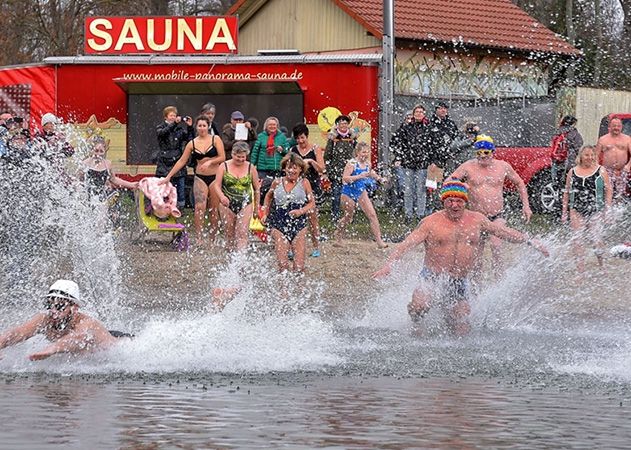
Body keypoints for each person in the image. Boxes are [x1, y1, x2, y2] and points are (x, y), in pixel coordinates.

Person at [373, 181, 548, 335]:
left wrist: (529, 241)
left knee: (461, 328)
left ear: (465, 202)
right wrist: (389, 265)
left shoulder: (477, 220)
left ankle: (447, 328)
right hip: (432, 276)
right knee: (419, 307)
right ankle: (416, 324)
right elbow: (406, 245)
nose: (455, 205)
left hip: (459, 280)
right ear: (444, 202)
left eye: (459, 201)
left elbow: (503, 232)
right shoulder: (430, 222)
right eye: (450, 201)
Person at [448, 135, 532, 275]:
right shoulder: (468, 166)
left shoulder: (503, 166)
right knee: (476, 255)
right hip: (477, 217)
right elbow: (448, 182)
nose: (482, 156)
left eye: (486, 152)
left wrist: (526, 206)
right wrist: (461, 186)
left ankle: (499, 280)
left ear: (492, 152)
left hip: (497, 215)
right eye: (479, 153)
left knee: (496, 245)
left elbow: (519, 183)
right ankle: (477, 288)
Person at [0, 280, 127, 361]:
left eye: (60, 306)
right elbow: (18, 332)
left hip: (120, 342)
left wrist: (51, 349)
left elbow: (76, 338)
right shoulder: (45, 319)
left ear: (74, 308)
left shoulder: (87, 323)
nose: (53, 311)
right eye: (49, 305)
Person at [160, 116, 225, 241]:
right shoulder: (192, 143)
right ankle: (200, 237)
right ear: (196, 127)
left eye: (204, 126)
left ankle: (213, 237)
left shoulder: (215, 139)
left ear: (208, 126)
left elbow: (222, 157)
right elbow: (181, 161)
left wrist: (210, 162)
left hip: (215, 177)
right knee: (199, 207)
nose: (202, 128)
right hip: (200, 177)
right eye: (199, 126)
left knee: (213, 209)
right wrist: (168, 177)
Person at [261, 153, 315, 272]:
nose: (291, 170)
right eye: (288, 167)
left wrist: (301, 211)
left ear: (301, 169)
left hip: (299, 224)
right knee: (283, 265)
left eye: (295, 167)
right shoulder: (277, 182)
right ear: (284, 168)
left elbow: (312, 204)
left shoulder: (304, 183)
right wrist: (265, 212)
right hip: (279, 223)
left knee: (299, 266)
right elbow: (268, 197)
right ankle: (283, 290)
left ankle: (299, 289)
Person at [561, 146, 613, 272]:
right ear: (580, 157)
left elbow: (609, 190)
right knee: (577, 241)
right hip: (576, 210)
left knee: (596, 240)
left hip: (595, 210)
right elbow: (567, 192)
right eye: (586, 155)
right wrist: (564, 212)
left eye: (592, 155)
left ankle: (602, 265)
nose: (589, 158)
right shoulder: (572, 172)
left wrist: (608, 209)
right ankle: (581, 271)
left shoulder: (601, 171)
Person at [334, 142, 389, 249]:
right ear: (358, 152)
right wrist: (359, 176)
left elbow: (370, 172)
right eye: (363, 152)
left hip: (360, 191)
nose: (366, 154)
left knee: (372, 214)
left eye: (368, 152)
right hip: (348, 192)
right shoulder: (352, 163)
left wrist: (379, 178)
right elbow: (344, 178)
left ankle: (379, 241)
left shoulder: (368, 163)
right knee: (348, 217)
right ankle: (338, 234)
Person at [214, 141, 261, 251]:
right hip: (227, 203)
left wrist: (256, 208)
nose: (240, 159)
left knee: (242, 234)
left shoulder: (251, 167)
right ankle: (231, 261)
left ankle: (241, 260)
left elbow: (257, 189)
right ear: (232, 154)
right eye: (238, 157)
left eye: (243, 157)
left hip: (245, 203)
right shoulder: (224, 166)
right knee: (229, 235)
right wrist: (221, 197)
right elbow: (217, 185)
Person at [290, 123, 324, 257]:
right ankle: (292, 247)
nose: (300, 141)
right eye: (298, 138)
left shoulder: (315, 149)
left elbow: (322, 169)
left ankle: (316, 247)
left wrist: (311, 162)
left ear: (307, 136)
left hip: (313, 185)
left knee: (312, 217)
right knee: (293, 216)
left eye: (302, 138)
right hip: (296, 186)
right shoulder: (293, 149)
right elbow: (287, 166)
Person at [392, 105, 431, 222]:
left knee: (421, 190)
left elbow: (434, 146)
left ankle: (420, 214)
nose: (418, 114)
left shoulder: (429, 128)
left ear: (424, 114)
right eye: (416, 112)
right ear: (413, 114)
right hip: (408, 164)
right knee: (408, 190)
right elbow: (396, 143)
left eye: (421, 112)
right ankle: (408, 214)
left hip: (423, 164)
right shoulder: (406, 128)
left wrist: (433, 161)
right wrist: (400, 157)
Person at [79, 137, 138, 202]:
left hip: (101, 197)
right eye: (96, 151)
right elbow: (79, 181)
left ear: (104, 152)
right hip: (88, 196)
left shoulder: (108, 164)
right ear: (92, 150)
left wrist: (131, 184)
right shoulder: (85, 163)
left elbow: (113, 179)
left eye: (101, 151)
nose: (98, 154)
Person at [155, 106, 191, 210]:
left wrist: (189, 127)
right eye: (171, 115)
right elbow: (162, 133)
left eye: (175, 115)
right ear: (165, 117)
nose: (173, 117)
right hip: (164, 163)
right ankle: (163, 209)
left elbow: (190, 140)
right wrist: (174, 123)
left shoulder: (179, 129)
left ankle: (180, 209)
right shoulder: (160, 127)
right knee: (164, 188)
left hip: (178, 161)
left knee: (180, 187)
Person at [324, 114, 357, 220]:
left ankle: (349, 216)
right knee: (336, 195)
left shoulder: (352, 138)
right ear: (337, 125)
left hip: (350, 172)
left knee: (350, 195)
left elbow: (356, 154)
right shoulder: (333, 138)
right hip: (336, 172)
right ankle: (335, 216)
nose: (343, 125)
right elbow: (327, 156)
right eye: (341, 123)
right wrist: (329, 171)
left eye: (345, 123)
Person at [251, 116, 289, 200]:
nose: (272, 126)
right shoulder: (261, 136)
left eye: (274, 125)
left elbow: (287, 150)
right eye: (270, 125)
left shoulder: (282, 137)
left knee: (276, 191)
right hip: (263, 169)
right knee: (262, 190)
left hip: (276, 169)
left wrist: (282, 150)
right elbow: (255, 152)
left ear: (277, 126)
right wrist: (252, 165)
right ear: (266, 126)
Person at [595, 117, 631, 202]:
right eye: (614, 125)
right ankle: (607, 211)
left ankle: (619, 212)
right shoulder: (603, 139)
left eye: (618, 126)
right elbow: (596, 156)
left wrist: (628, 166)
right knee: (608, 193)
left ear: (621, 127)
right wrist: (598, 169)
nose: (616, 128)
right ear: (609, 127)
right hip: (607, 171)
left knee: (620, 195)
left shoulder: (627, 139)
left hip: (622, 171)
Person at [550, 115, 584, 195]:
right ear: (572, 123)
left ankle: (558, 201)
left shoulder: (557, 132)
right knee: (569, 185)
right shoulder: (574, 133)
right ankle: (568, 203)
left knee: (558, 185)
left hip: (557, 162)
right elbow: (578, 146)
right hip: (569, 162)